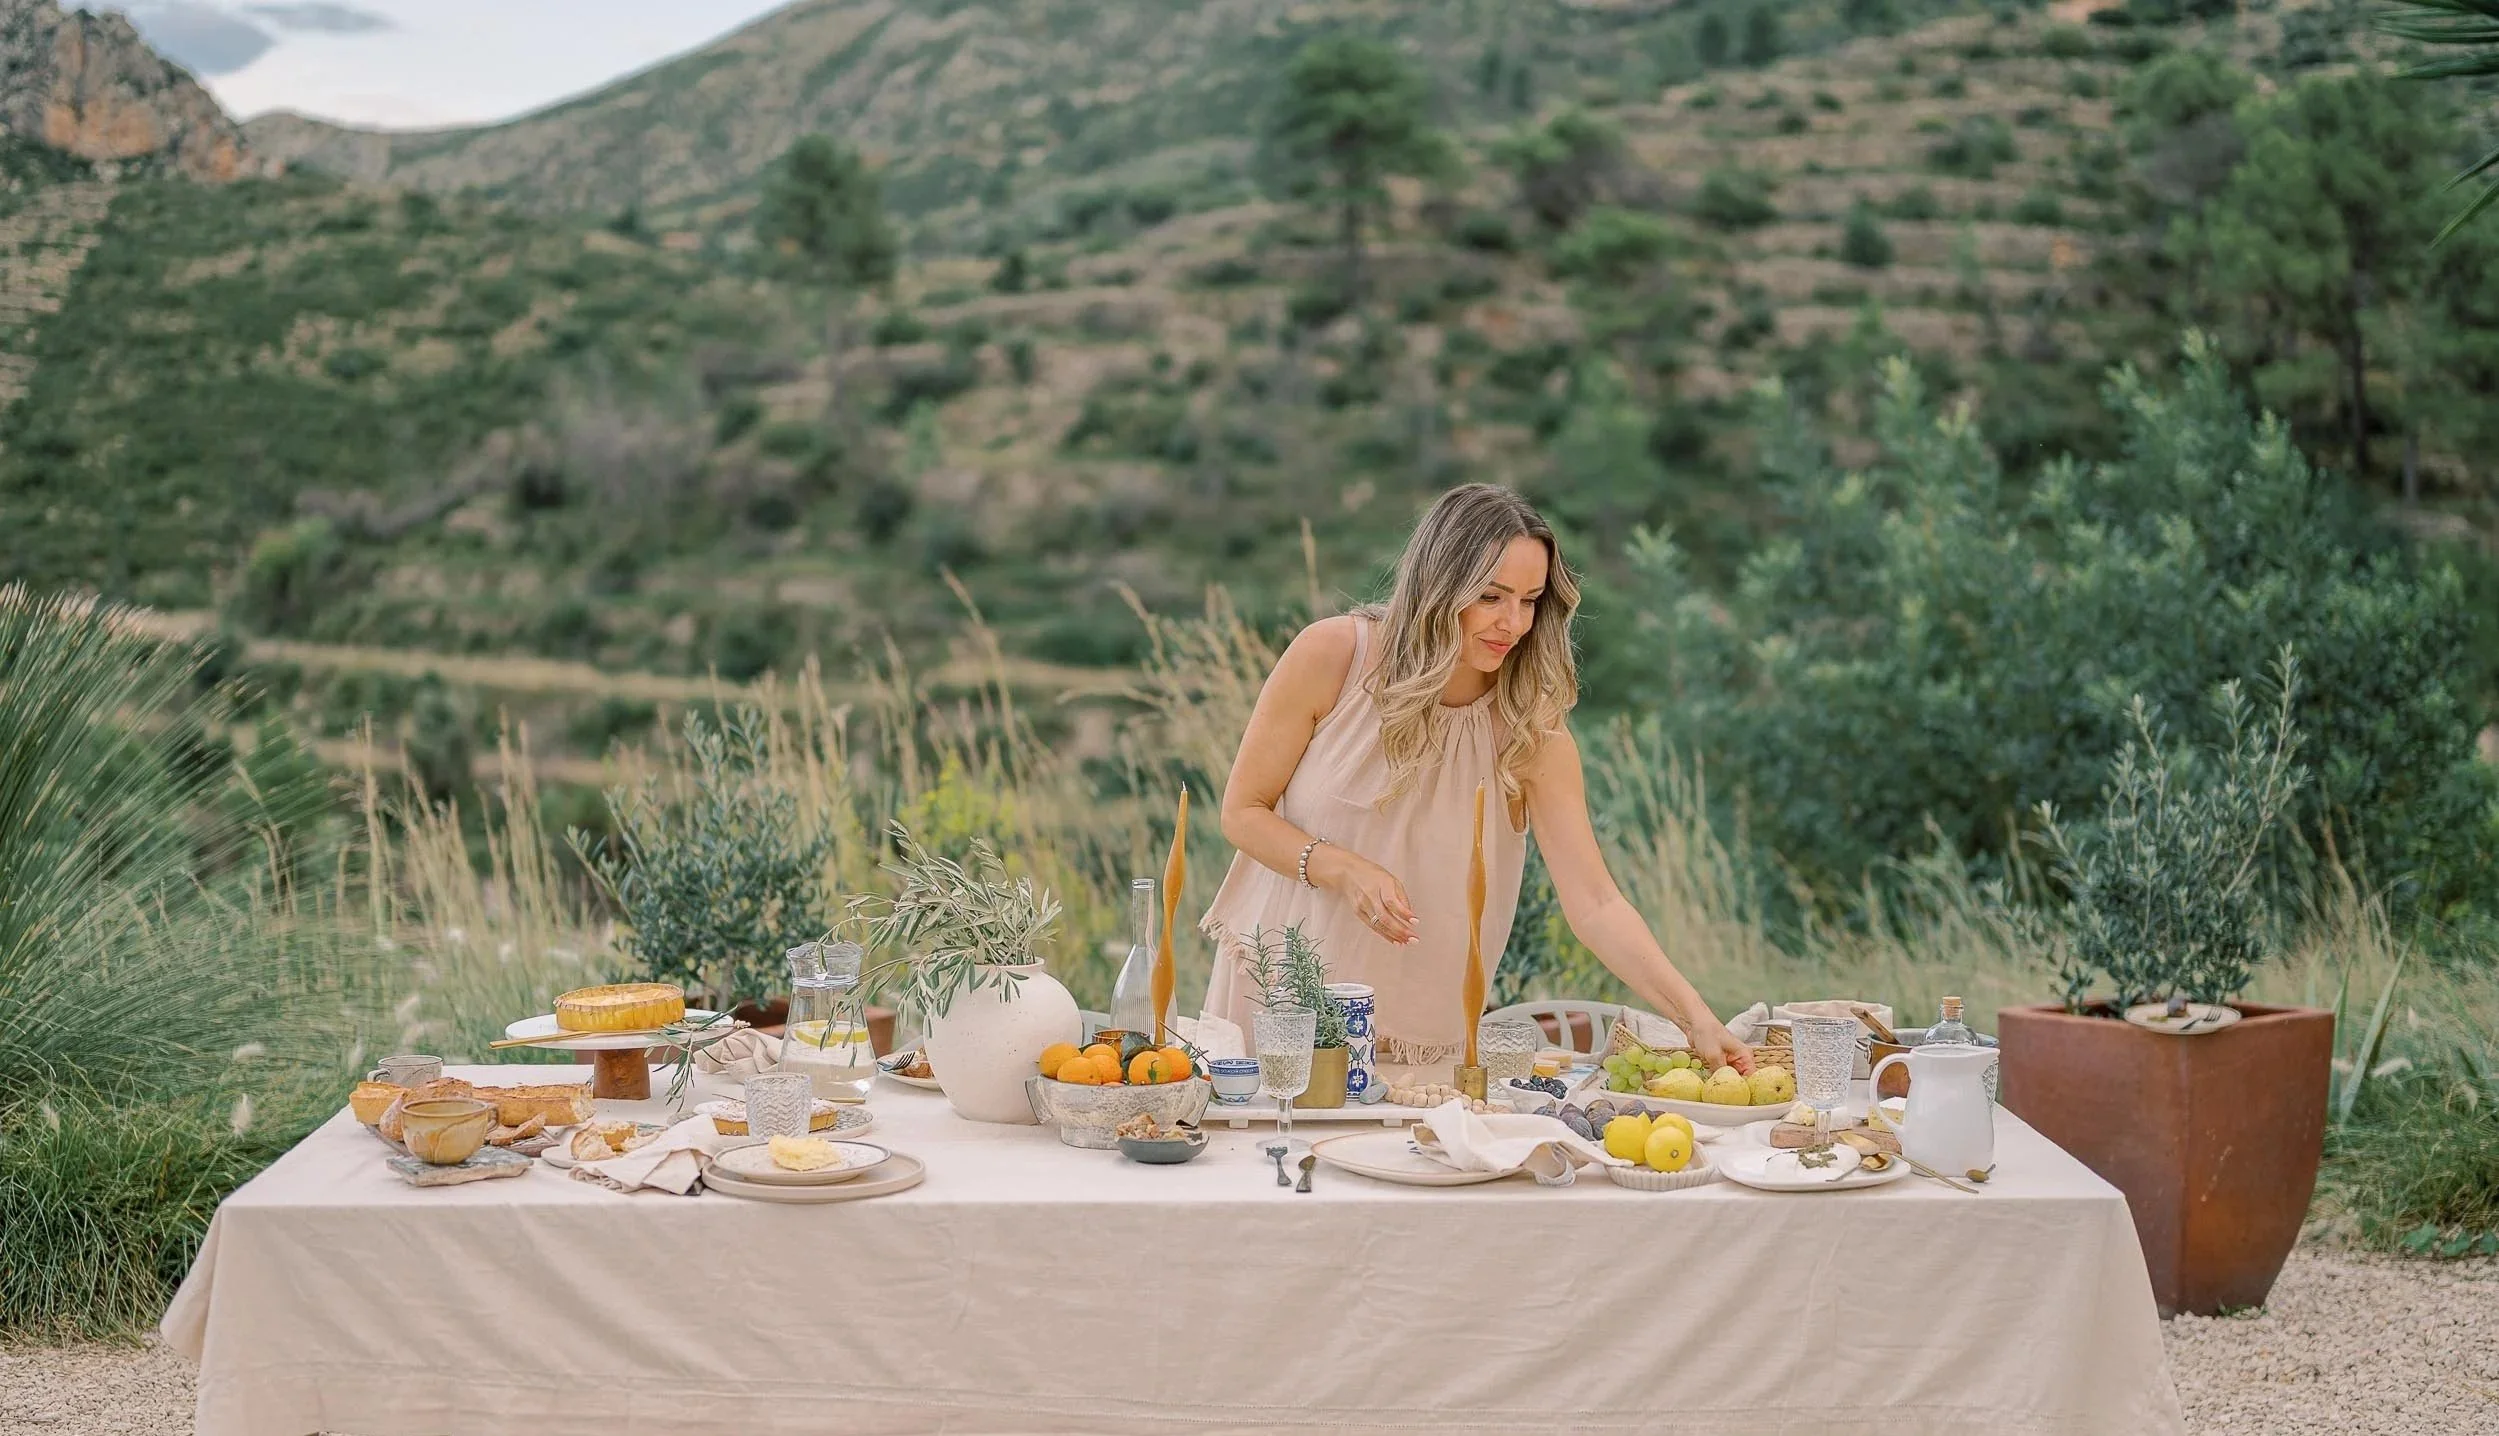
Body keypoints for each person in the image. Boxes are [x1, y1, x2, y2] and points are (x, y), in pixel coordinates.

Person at [1197, 484, 1753, 1072]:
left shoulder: (1531, 731)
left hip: (1420, 1041)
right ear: (1439, 589)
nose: (1512, 623)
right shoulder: (1334, 656)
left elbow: (1596, 903)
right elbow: (1243, 811)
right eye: (1491, 597)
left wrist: (1696, 1017)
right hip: (1280, 1010)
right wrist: (1343, 868)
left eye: (1531, 599)